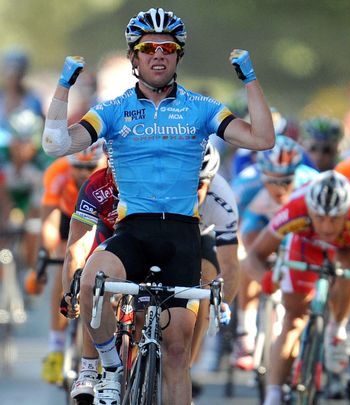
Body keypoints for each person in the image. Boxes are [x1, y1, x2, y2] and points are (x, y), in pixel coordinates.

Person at [41, 7, 274, 405]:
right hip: (134, 231)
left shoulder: (201, 107)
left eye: (168, 47)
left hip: (182, 234)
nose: (158, 54)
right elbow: (55, 145)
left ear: (178, 55)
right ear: (134, 57)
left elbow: (262, 139)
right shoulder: (113, 110)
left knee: (177, 351)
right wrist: (63, 87)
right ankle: (111, 366)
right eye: (148, 47)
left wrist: (250, 80)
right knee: (91, 283)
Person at [61, 143, 240, 401]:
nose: (194, 191)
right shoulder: (121, 181)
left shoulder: (221, 199)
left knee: (204, 286)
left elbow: (231, 265)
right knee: (96, 278)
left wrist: (223, 304)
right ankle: (99, 366)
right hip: (133, 232)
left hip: (198, 239)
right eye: (189, 183)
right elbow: (76, 250)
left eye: (200, 185)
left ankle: (186, 363)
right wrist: (72, 290)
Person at [241, 170, 350, 405]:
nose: (327, 226)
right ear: (309, 209)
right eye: (319, 217)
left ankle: (337, 328)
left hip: (347, 248)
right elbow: (253, 256)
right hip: (304, 244)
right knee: (294, 319)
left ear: (347, 211)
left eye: (334, 218)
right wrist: (266, 280)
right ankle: (274, 394)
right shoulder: (295, 208)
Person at [230, 135, 317, 370]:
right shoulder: (246, 183)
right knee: (248, 255)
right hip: (258, 224)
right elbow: (229, 225)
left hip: (293, 228)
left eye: (286, 181)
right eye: (273, 181)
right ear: (262, 173)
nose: (280, 188)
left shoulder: (310, 183)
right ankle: (245, 332)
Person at [38, 143, 105, 385]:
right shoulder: (57, 172)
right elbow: (49, 221)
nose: (84, 174)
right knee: (64, 266)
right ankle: (56, 349)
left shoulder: (111, 171)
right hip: (69, 216)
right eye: (78, 167)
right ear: (70, 164)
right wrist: (44, 255)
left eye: (90, 167)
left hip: (101, 216)